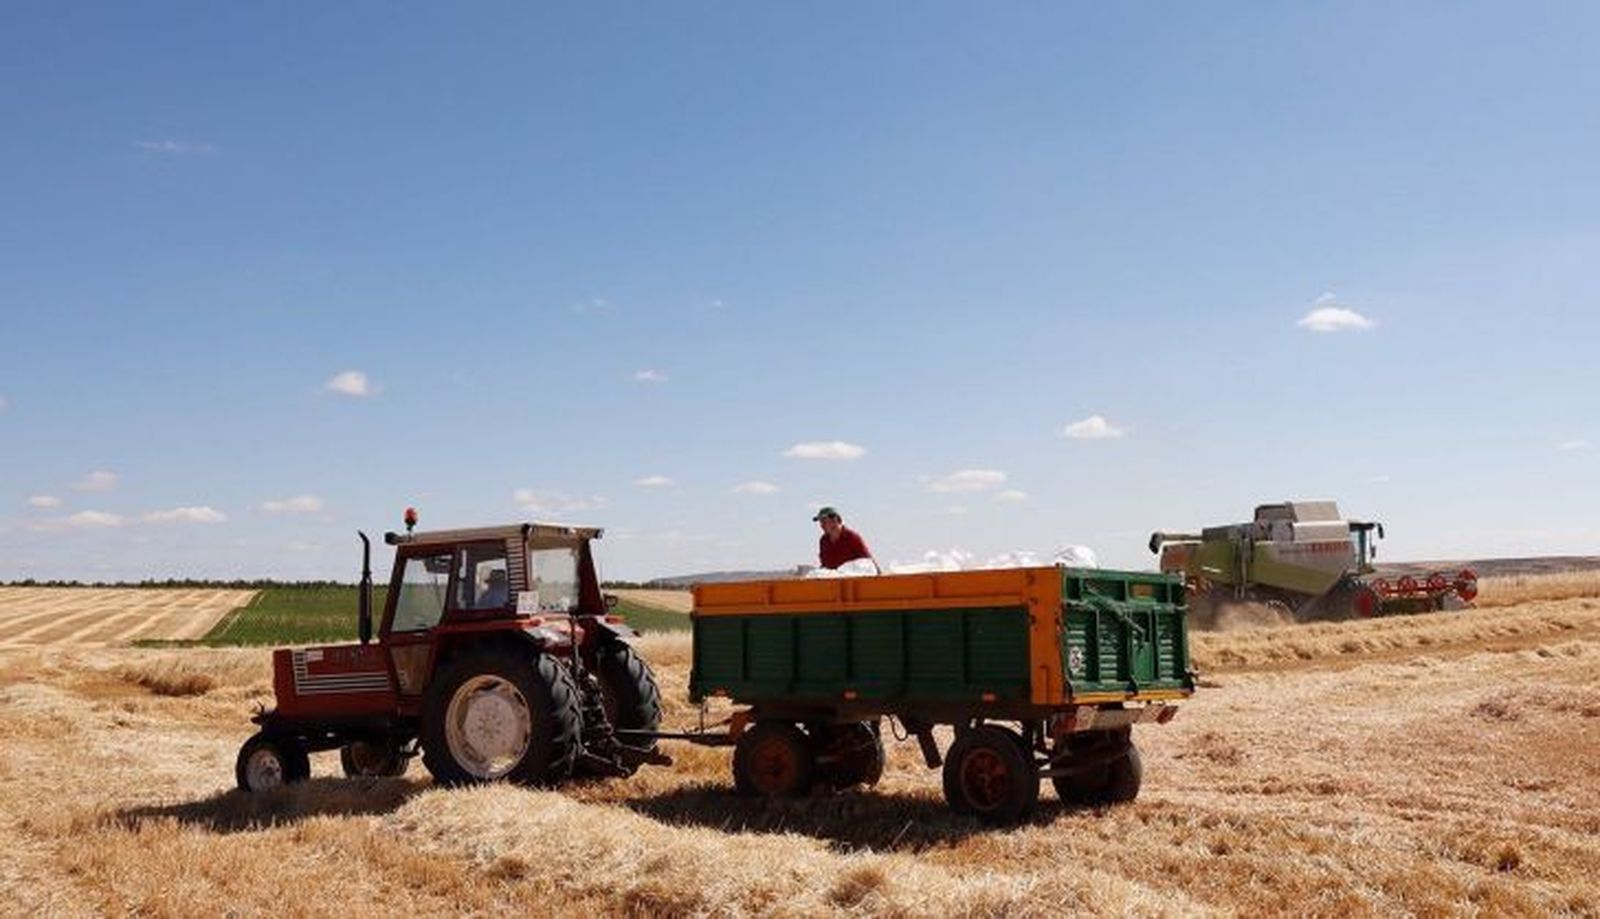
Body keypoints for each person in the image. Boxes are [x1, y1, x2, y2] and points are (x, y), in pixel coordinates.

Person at [813, 506, 876, 571]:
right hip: (832, 579)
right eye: (821, 522)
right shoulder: (824, 541)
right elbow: (825, 565)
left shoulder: (852, 537)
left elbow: (869, 563)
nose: (821, 525)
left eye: (824, 522)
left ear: (835, 520)